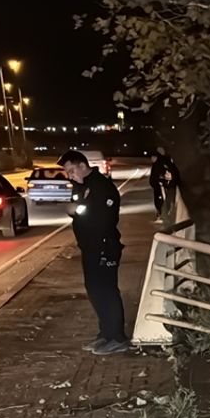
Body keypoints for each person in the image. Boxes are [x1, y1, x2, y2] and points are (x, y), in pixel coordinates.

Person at [58, 149, 129, 355]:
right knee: (95, 290)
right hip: (89, 247)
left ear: (82, 165)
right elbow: (81, 208)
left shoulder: (101, 186)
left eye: (72, 170)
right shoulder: (82, 186)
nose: (70, 176)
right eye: (68, 173)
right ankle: (105, 333)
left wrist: (76, 212)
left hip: (104, 247)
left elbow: (100, 218)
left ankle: (117, 337)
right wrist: (75, 211)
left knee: (107, 290)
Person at [148, 147, 181, 223]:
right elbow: (154, 175)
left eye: (153, 157)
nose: (151, 159)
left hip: (163, 185)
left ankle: (163, 213)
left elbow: (167, 173)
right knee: (160, 199)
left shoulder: (163, 162)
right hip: (159, 185)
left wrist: (163, 180)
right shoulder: (158, 163)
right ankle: (162, 213)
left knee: (162, 199)